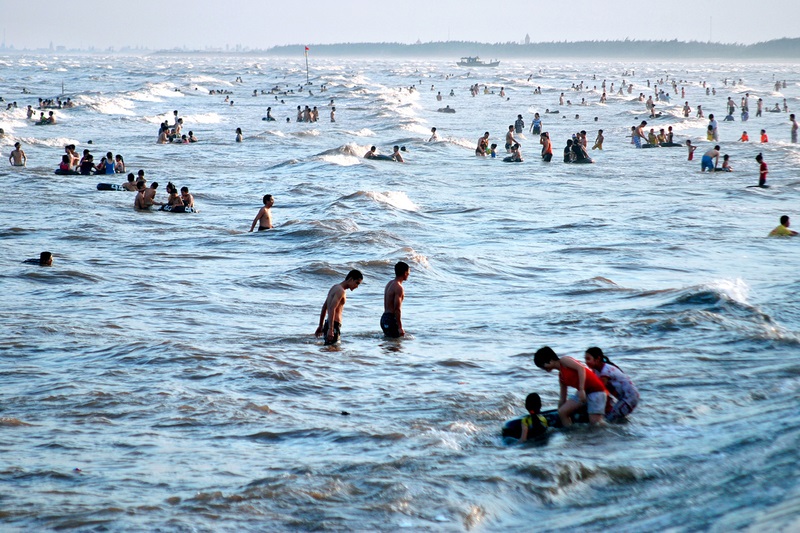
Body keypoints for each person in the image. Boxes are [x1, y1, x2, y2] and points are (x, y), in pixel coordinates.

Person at [533, 346, 608, 426]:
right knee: (562, 412)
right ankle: (570, 434)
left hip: (596, 390)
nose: (543, 369)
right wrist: (558, 412)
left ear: (550, 360)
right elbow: (562, 399)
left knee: (595, 424)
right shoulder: (561, 377)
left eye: (542, 366)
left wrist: (582, 389)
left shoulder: (564, 361)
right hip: (583, 392)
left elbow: (581, 368)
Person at [584, 347, 639, 422]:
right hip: (622, 398)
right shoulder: (596, 371)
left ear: (597, 359)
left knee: (609, 420)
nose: (586, 362)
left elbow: (599, 389)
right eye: (585, 359)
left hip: (630, 397)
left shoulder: (606, 370)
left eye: (588, 359)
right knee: (613, 418)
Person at [315, 270, 363, 345]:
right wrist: (331, 329)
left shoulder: (335, 287)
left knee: (330, 350)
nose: (357, 286)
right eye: (357, 283)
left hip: (328, 323)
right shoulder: (341, 291)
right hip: (334, 325)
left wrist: (321, 326)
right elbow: (331, 308)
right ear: (350, 279)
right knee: (333, 351)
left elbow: (324, 308)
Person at [381, 261, 409, 338]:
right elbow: (397, 309)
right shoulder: (399, 287)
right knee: (396, 347)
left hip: (384, 318)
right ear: (405, 273)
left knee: (389, 346)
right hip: (391, 319)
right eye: (408, 272)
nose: (409, 274)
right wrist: (400, 327)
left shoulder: (389, 283)